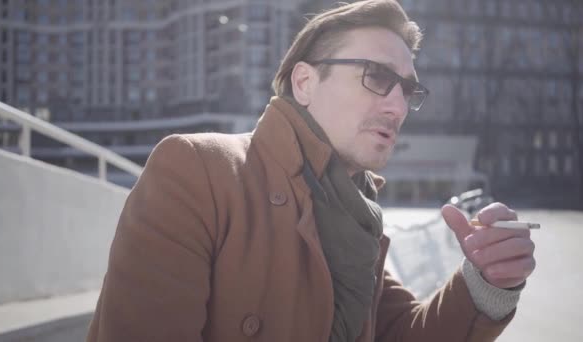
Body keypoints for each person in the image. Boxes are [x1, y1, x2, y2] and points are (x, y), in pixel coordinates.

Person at [87, 1, 536, 341]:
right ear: (304, 82)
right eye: (377, 76)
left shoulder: (357, 214)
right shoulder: (198, 171)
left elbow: (405, 333)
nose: (398, 106)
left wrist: (487, 282)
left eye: (408, 90)